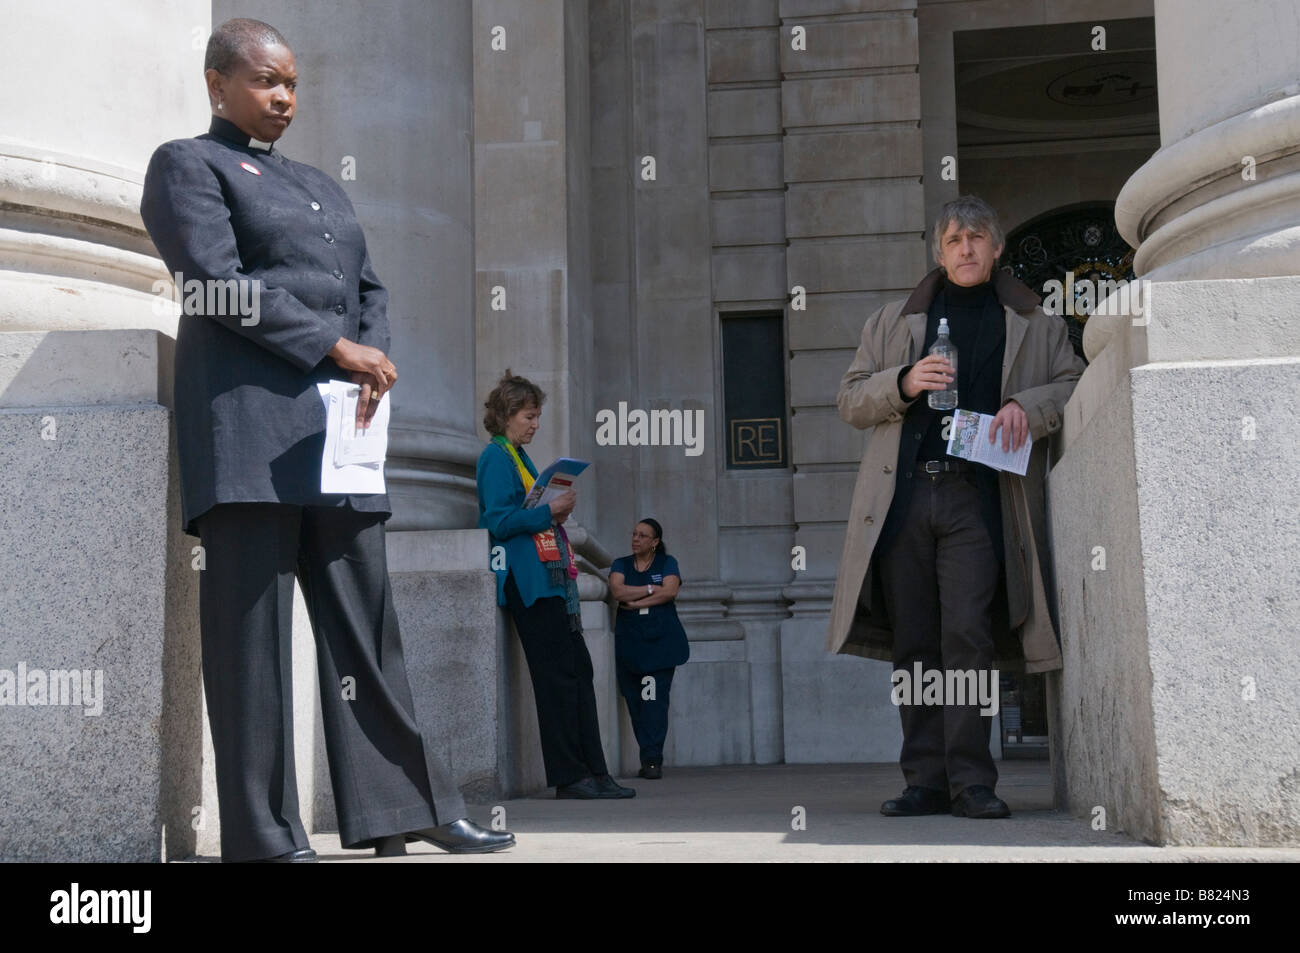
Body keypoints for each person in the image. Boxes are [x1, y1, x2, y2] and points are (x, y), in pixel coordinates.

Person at [140, 18, 513, 861]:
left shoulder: (320, 185)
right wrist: (331, 346)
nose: (285, 98)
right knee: (254, 645)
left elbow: (368, 286)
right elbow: (214, 285)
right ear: (217, 83)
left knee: (367, 629)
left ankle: (402, 809)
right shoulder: (187, 165)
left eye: (294, 84)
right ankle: (266, 835)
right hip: (246, 432)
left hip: (337, 436)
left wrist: (368, 357)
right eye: (267, 81)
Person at [827, 195, 1085, 820]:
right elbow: (850, 400)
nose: (965, 249)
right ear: (938, 254)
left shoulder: (1037, 323)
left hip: (979, 495)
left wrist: (1029, 404)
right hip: (906, 496)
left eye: (976, 239)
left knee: (966, 636)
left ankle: (973, 780)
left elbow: (1074, 383)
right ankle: (925, 780)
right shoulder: (893, 322)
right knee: (914, 641)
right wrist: (904, 382)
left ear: (997, 250)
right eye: (953, 240)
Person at [477, 370, 635, 799]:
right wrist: (549, 512)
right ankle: (570, 775)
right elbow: (498, 521)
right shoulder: (495, 457)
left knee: (579, 673)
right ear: (508, 414)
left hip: (551, 579)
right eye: (529, 415)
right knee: (556, 680)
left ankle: (595, 771)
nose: (535, 424)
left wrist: (554, 510)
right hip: (528, 582)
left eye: (538, 416)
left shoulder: (519, 457)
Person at [608, 519, 689, 779]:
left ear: (654, 542)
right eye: (634, 534)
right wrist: (650, 588)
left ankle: (652, 760)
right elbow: (618, 591)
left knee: (653, 700)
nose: (636, 539)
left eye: (643, 536)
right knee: (635, 701)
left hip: (660, 644)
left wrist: (641, 599)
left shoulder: (667, 562)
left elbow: (670, 591)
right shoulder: (621, 563)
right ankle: (647, 753)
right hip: (630, 641)